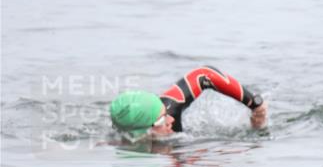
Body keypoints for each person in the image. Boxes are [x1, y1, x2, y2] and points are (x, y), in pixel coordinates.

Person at [109, 66, 267, 138]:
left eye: (165, 112)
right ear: (141, 133)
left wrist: (256, 105)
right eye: (162, 120)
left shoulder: (170, 106)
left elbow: (204, 75)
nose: (171, 119)